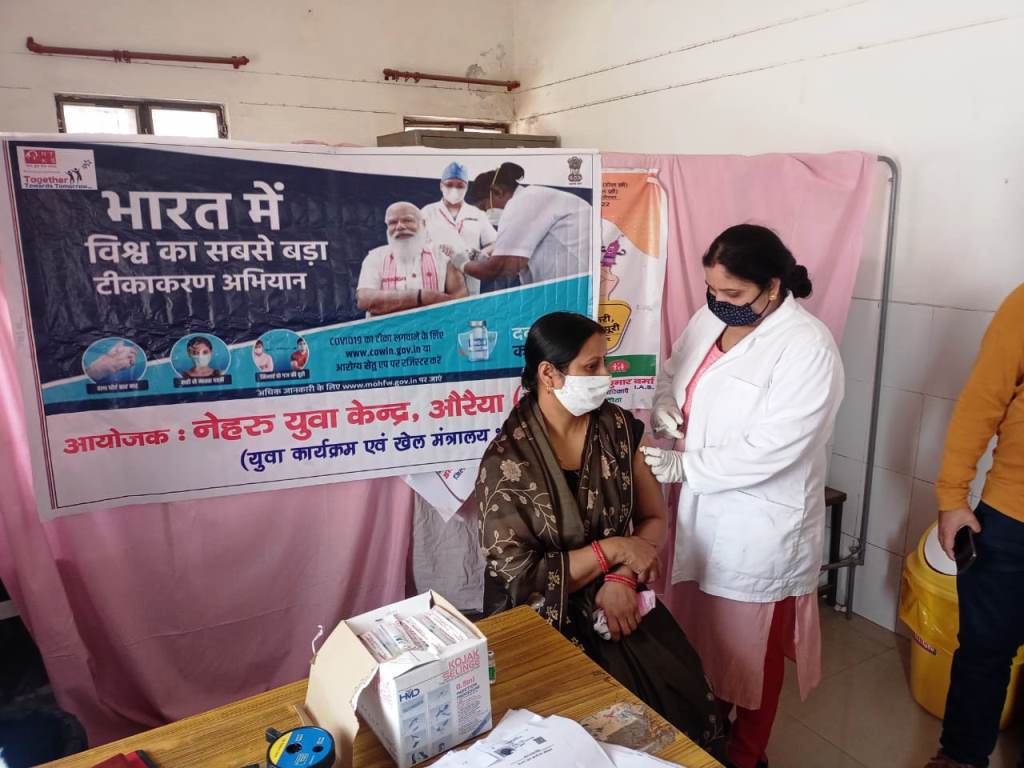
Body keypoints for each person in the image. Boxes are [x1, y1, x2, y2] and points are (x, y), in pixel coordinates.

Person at [640, 225, 844, 768]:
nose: (717, 301)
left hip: (760, 527)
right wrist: (665, 405)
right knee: (704, 640)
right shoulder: (710, 319)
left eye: (732, 292)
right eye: (712, 289)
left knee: (751, 654)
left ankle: (748, 754)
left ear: (772, 286)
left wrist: (687, 466)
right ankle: (710, 731)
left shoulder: (808, 347)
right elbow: (671, 372)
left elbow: (778, 447)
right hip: (702, 514)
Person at [476, 311, 724, 754]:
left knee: (680, 701)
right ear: (549, 375)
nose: (606, 376)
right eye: (591, 366)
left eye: (605, 362)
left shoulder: (619, 430)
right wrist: (615, 549)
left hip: (619, 597)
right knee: (575, 739)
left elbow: (654, 518)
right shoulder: (506, 462)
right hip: (540, 614)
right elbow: (519, 578)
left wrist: (621, 578)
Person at [924, 283, 1024, 768]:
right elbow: (982, 401)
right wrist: (952, 497)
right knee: (985, 650)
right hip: (1012, 517)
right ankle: (961, 757)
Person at [450, 163, 592, 286]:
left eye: (484, 208)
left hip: (576, 284)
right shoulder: (533, 197)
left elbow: (497, 269)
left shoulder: (525, 200)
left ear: (497, 192)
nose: (486, 215)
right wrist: (483, 257)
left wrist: (462, 263)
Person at [356, 202, 468, 317]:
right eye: (393, 223)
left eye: (407, 220)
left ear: (423, 224)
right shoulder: (375, 257)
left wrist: (389, 303)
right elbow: (365, 300)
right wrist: (421, 297)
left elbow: (460, 301)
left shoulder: (443, 255)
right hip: (388, 329)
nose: (400, 227)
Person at [422, 162, 498, 296]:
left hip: (469, 274)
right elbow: (415, 245)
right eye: (449, 184)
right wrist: (436, 249)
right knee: (438, 304)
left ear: (466, 187)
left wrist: (479, 254)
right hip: (436, 274)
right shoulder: (427, 212)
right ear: (441, 185)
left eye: (459, 186)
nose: (454, 189)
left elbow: (494, 243)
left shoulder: (477, 214)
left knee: (469, 307)